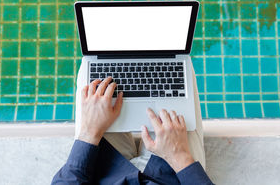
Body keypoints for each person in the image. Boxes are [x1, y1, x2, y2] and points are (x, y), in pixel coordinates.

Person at [52, 74, 214, 184]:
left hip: (105, 173)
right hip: (172, 175)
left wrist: (89, 133)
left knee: (93, 85)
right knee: (183, 73)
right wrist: (181, 157)